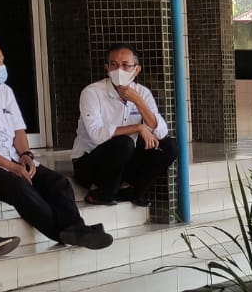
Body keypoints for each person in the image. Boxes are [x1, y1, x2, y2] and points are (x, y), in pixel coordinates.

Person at [0, 42, 113, 251]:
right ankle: (62, 232)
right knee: (18, 187)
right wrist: (12, 168)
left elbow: (18, 130)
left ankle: (75, 228)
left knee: (57, 182)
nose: (3, 66)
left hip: (13, 156)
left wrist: (25, 156)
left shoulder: (5, 91)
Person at [72, 43, 177, 206]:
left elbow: (161, 132)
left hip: (124, 161)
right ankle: (103, 193)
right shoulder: (92, 92)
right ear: (107, 68)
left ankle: (135, 192)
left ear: (136, 69)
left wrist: (137, 100)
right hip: (90, 163)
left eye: (125, 65)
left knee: (169, 146)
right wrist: (138, 127)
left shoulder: (142, 93)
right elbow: (96, 134)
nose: (118, 70)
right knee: (124, 143)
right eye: (113, 65)